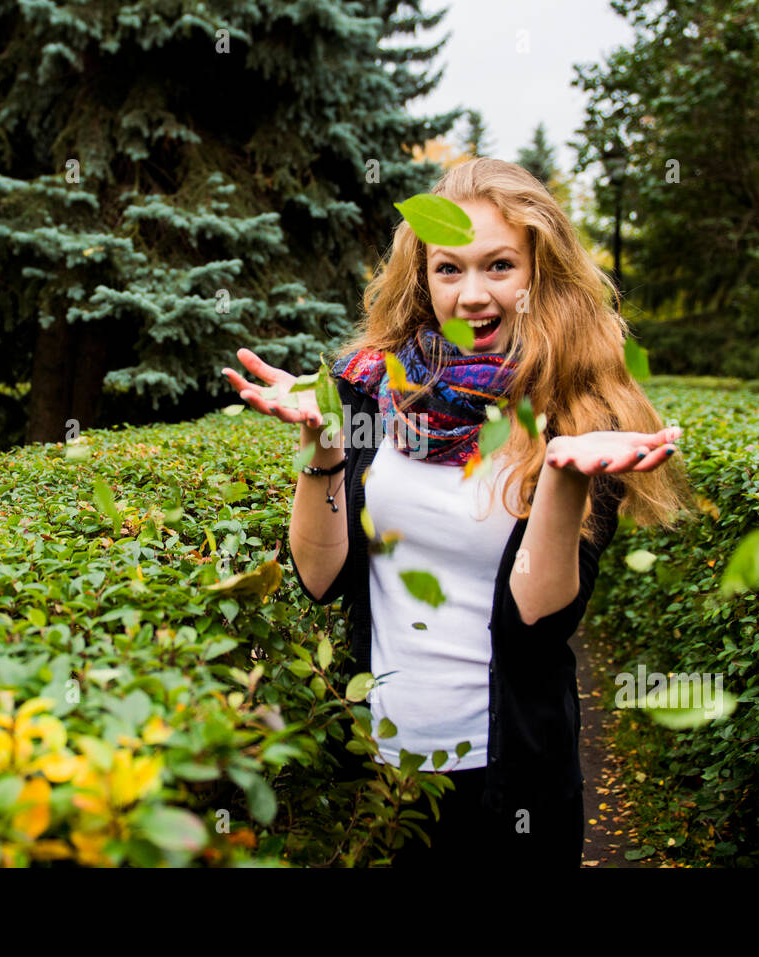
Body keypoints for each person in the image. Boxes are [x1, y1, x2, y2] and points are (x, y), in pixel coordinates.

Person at [222, 157, 694, 867]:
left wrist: (563, 478)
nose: (473, 293)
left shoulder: (579, 415)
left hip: (513, 782)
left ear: (540, 273)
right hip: (380, 773)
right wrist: (319, 445)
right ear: (424, 277)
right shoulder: (369, 395)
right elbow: (323, 577)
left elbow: (538, 622)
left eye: (499, 265)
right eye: (450, 269)